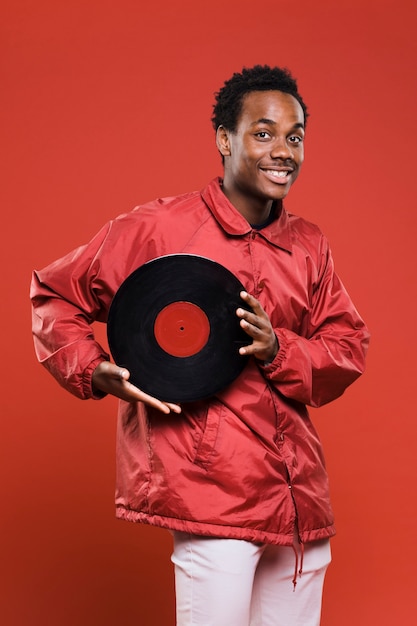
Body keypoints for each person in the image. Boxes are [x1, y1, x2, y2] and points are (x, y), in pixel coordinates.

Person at [30, 65, 370, 626]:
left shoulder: (310, 244)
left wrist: (278, 348)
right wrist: (93, 370)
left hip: (298, 505)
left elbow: (347, 345)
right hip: (211, 497)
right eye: (263, 133)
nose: (282, 150)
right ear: (223, 138)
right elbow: (53, 295)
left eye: (295, 135)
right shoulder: (157, 228)